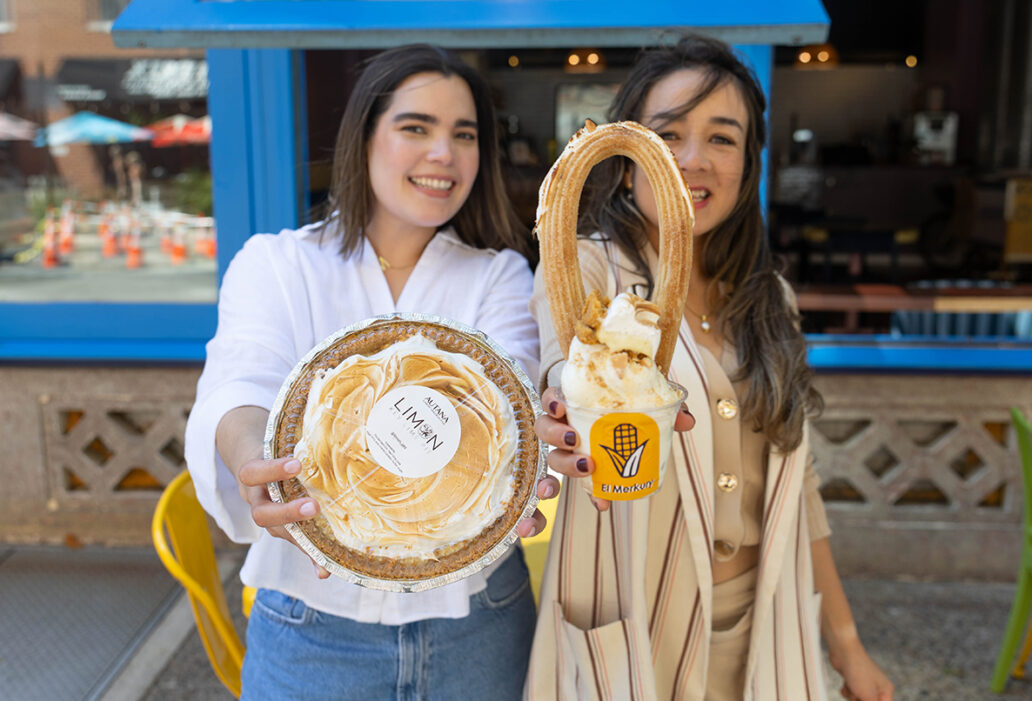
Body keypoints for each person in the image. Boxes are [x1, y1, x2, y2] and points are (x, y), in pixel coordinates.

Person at [185, 44, 559, 701]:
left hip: (479, 618)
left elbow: (509, 395)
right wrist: (255, 462)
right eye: (416, 127)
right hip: (311, 620)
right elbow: (239, 384)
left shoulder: (499, 274)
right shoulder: (278, 264)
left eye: (464, 134)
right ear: (364, 137)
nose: (443, 153)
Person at [526, 35, 893, 701]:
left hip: (765, 628)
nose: (692, 161)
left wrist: (847, 645)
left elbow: (798, 483)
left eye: (722, 139)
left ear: (747, 164)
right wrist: (563, 408)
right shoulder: (588, 268)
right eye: (667, 134)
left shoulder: (768, 298)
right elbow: (565, 369)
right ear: (628, 159)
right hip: (635, 629)